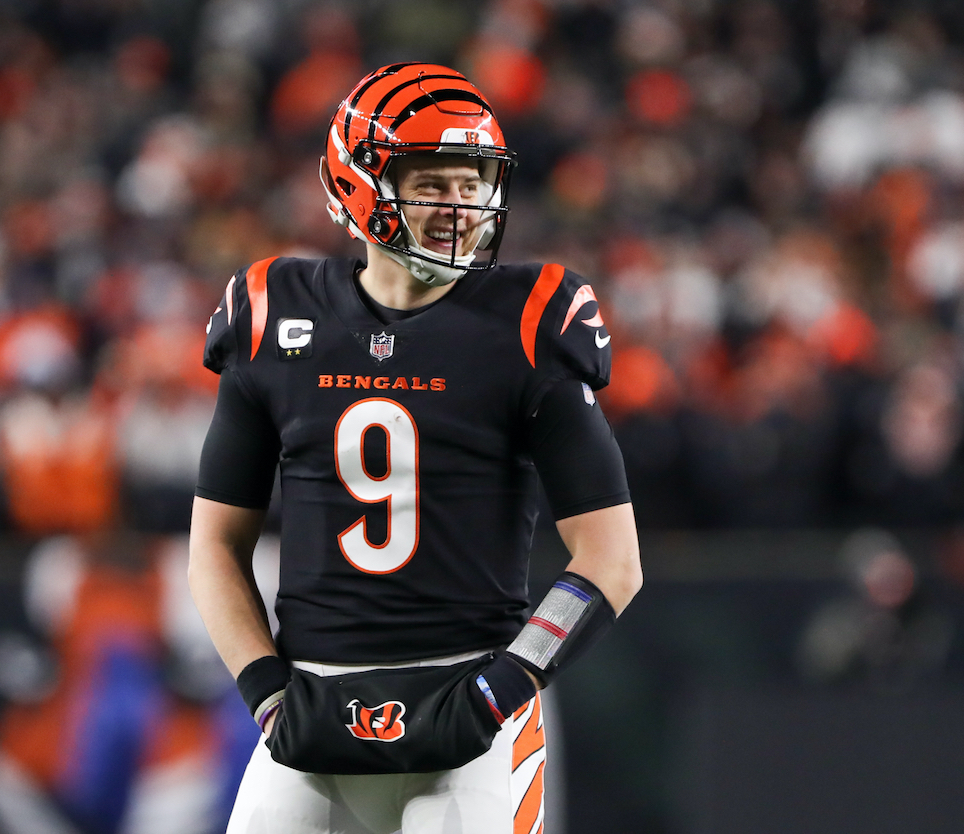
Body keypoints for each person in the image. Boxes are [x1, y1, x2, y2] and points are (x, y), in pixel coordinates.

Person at [187, 63, 642, 834]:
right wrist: (267, 692)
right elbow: (215, 548)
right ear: (358, 182)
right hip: (313, 701)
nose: (458, 207)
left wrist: (503, 686)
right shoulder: (272, 314)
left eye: (472, 184)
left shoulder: (529, 324)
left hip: (471, 704)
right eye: (432, 182)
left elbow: (611, 560)